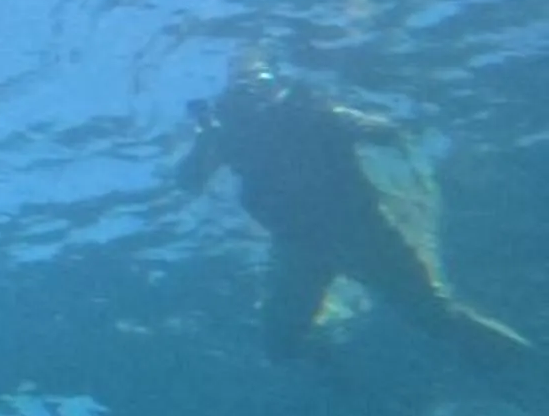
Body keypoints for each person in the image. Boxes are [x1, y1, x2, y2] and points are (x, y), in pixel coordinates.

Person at [179, 55, 530, 366]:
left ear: (276, 84)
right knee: (282, 340)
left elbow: (385, 131)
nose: (252, 94)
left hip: (358, 231)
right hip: (305, 245)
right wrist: (205, 139)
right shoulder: (230, 135)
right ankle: (336, 376)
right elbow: (189, 180)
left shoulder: (310, 112)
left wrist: (329, 115)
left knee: (434, 313)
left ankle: (520, 363)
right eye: (243, 86)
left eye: (260, 83)